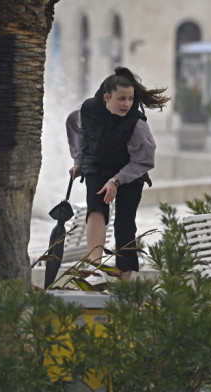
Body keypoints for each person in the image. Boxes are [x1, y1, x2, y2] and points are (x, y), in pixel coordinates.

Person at [66, 67, 170, 280]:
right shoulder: (87, 110)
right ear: (107, 97)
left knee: (124, 223)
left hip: (131, 171)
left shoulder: (137, 124)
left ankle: (125, 277)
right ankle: (94, 268)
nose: (127, 104)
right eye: (121, 99)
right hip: (97, 164)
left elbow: (144, 161)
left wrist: (116, 180)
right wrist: (78, 160)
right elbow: (74, 127)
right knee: (96, 209)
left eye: (131, 99)